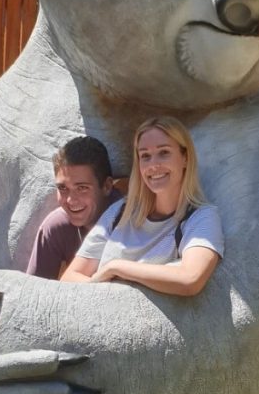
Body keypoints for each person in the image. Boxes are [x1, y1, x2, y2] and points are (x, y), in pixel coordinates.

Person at [61, 117, 223, 296]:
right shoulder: (120, 211)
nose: (153, 165)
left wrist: (117, 268)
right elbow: (69, 278)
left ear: (185, 158)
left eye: (164, 152)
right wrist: (108, 293)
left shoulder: (201, 218)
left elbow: (190, 280)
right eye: (145, 156)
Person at [26, 135, 122, 279]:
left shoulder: (131, 220)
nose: (71, 200)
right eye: (63, 188)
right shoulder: (57, 226)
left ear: (107, 186)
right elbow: (35, 287)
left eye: (82, 188)